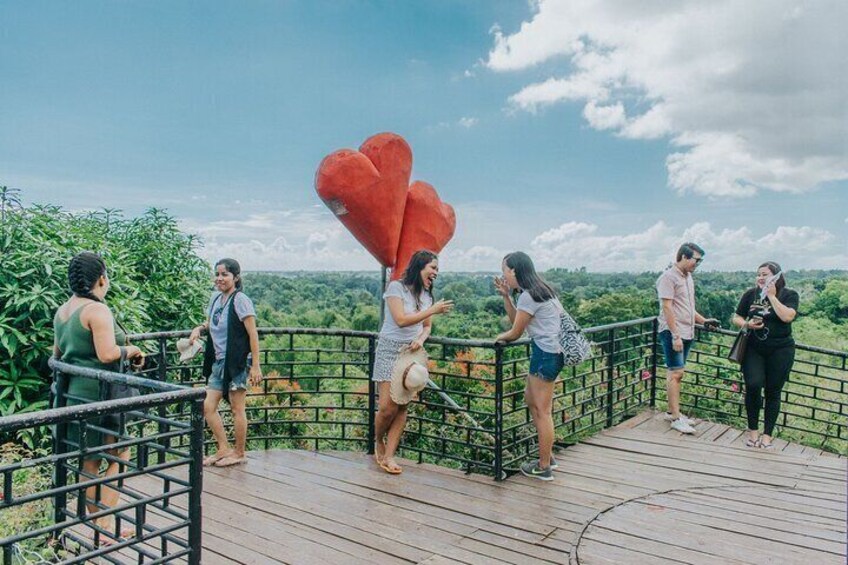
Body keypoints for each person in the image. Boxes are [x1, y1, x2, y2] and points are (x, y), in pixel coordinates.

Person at [53, 251, 145, 543]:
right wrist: (132, 351)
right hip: (99, 396)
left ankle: (100, 526)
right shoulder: (98, 310)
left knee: (89, 460)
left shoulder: (63, 311)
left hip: (72, 395)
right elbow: (107, 354)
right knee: (120, 454)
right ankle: (104, 524)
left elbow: (57, 355)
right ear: (102, 278)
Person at [373, 250, 453, 474]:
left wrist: (420, 338)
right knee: (387, 408)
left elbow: (427, 327)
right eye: (433, 268)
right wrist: (433, 309)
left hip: (411, 354)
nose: (436, 273)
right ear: (420, 266)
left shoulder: (427, 297)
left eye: (437, 269)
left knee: (403, 405)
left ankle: (389, 456)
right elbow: (400, 320)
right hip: (389, 350)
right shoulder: (396, 288)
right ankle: (378, 439)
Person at [494, 252, 564, 482]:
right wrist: (506, 296)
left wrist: (498, 338)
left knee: (542, 411)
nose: (504, 275)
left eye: (505, 270)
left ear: (514, 271)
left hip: (545, 354)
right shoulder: (540, 291)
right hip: (547, 353)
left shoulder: (529, 296)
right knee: (532, 401)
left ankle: (544, 466)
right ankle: (547, 456)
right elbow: (519, 321)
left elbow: (515, 332)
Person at [189, 258, 262, 467]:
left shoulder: (240, 300)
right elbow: (213, 321)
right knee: (207, 406)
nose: (220, 278)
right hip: (219, 362)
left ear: (236, 278)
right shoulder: (215, 299)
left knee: (237, 408)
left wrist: (256, 365)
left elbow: (252, 333)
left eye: (225, 275)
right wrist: (199, 329)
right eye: (218, 274)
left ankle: (239, 453)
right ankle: (223, 448)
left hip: (237, 362)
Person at [732, 262, 798, 449]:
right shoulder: (750, 294)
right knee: (753, 385)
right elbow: (736, 317)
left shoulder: (789, 294)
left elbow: (787, 317)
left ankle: (767, 436)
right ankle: (753, 433)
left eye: (765, 274)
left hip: (781, 350)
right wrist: (746, 324)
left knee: (773, 391)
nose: (760, 278)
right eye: (758, 274)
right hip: (754, 347)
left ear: (776, 277)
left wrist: (771, 296)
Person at [656, 243, 719, 434]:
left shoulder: (688, 277)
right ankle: (676, 418)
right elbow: (667, 307)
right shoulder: (668, 277)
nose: (697, 264)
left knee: (674, 374)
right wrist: (675, 336)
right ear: (684, 256)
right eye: (696, 259)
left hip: (687, 330)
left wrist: (703, 320)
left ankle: (672, 411)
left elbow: (687, 307)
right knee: (677, 373)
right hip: (673, 332)